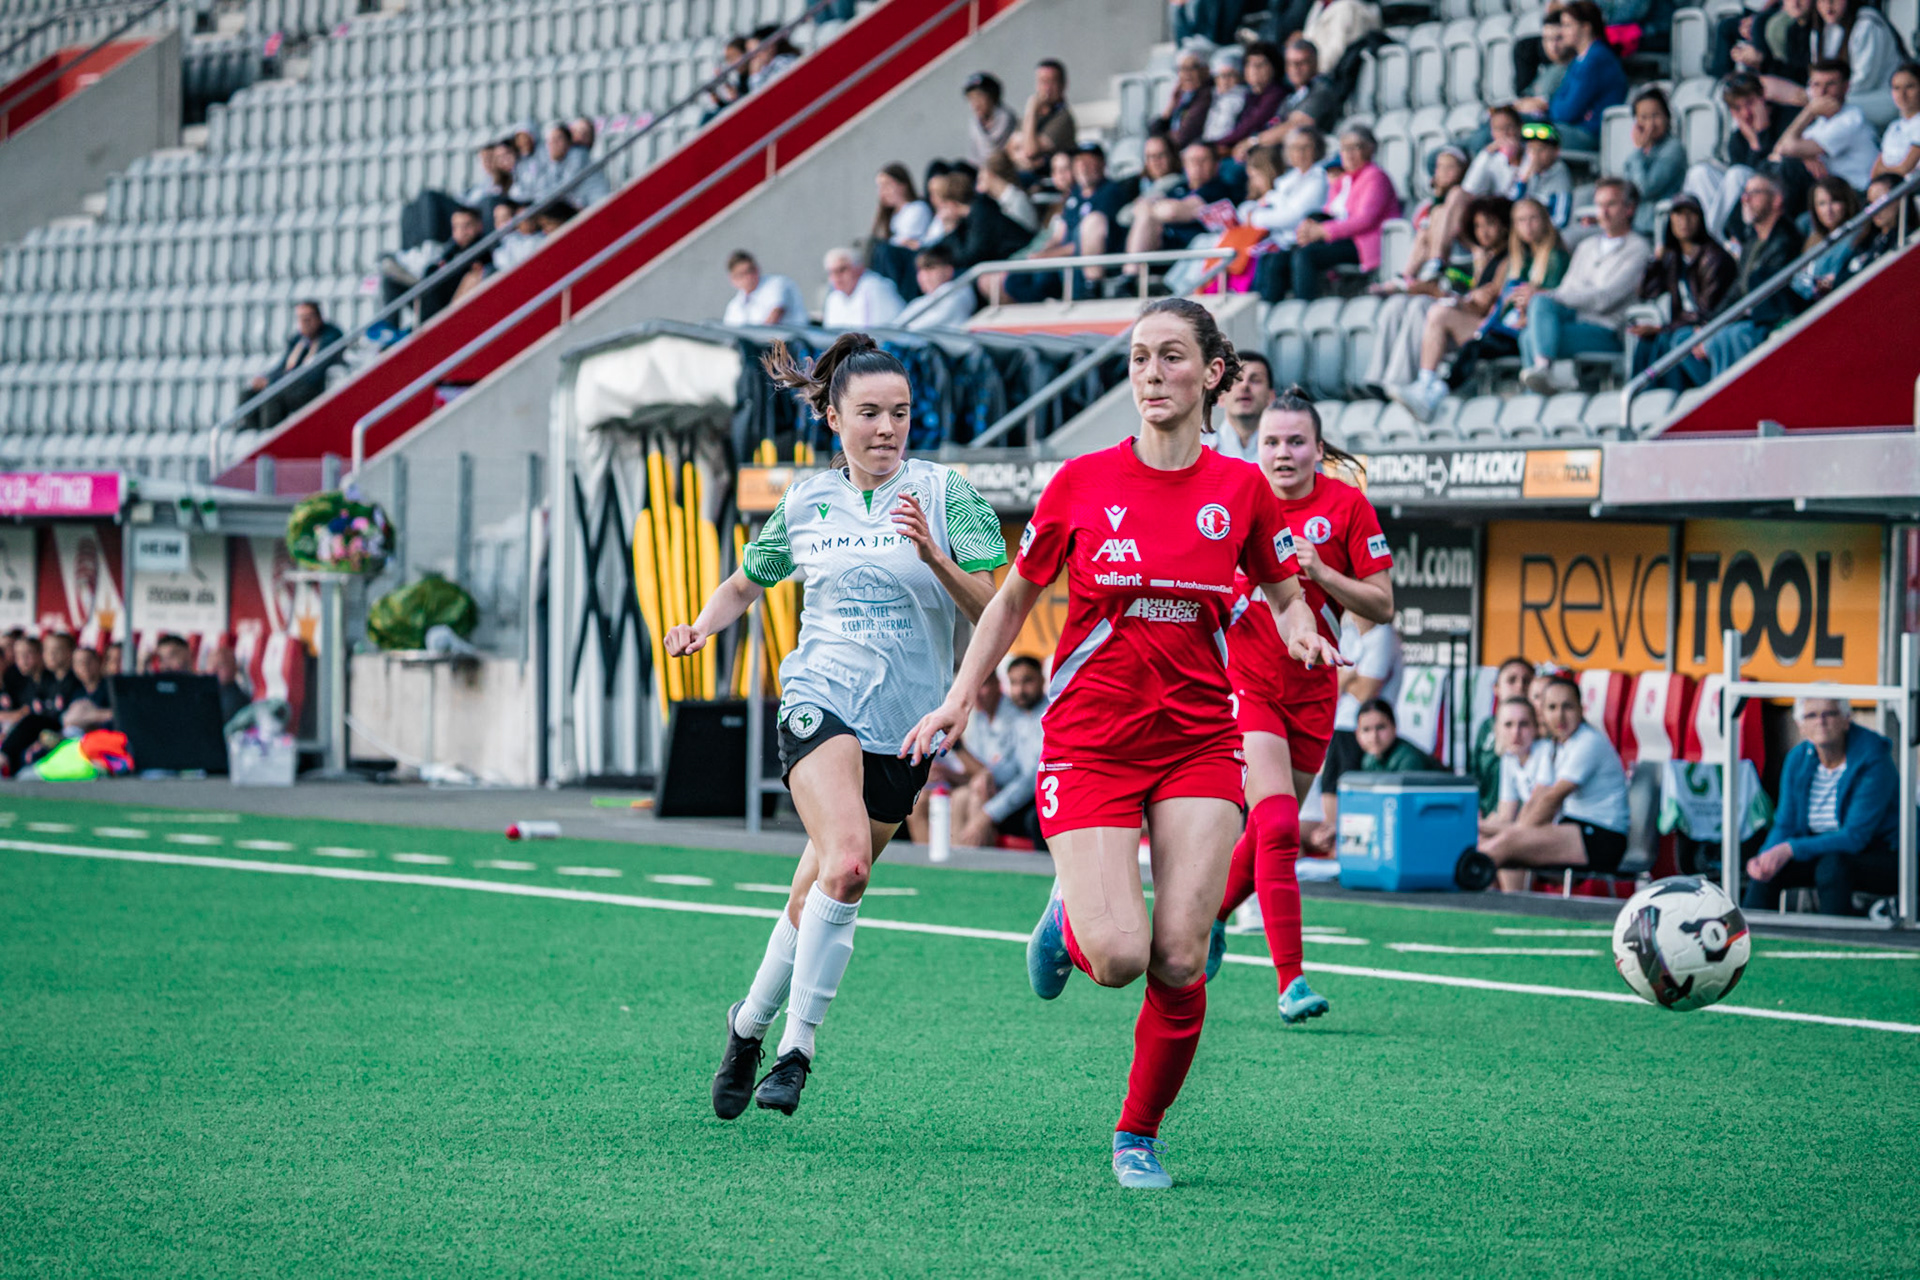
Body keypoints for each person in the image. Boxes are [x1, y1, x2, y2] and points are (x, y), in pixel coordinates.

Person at [900, 298, 1338, 1191]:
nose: (1149, 374)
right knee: (1120, 959)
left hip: (1198, 743)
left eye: (1170, 357)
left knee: (1181, 956)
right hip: (1092, 741)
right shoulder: (1082, 482)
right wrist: (957, 698)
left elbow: (1285, 587)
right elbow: (1014, 602)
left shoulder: (1241, 490)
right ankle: (1068, 919)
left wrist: (1297, 627)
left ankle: (1137, 1134)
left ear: (1212, 373)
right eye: (1138, 358)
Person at [687, 333, 1007, 1119]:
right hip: (818, 698)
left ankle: (746, 1024)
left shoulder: (945, 493)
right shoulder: (804, 501)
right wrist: (700, 625)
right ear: (833, 418)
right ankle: (797, 1048)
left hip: (906, 728)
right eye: (869, 413)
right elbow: (744, 583)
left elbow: (997, 612)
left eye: (900, 412)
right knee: (851, 868)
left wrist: (935, 557)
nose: (887, 427)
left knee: (819, 887)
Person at [1214, 388, 1392, 1026]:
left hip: (1316, 688)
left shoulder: (1347, 507)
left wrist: (1324, 576)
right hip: (1246, 684)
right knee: (1283, 826)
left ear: (1318, 448)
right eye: (1271, 442)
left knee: (1266, 828)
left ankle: (1207, 919)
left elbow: (1381, 606)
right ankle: (1291, 982)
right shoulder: (1229, 499)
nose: (1283, 453)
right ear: (1255, 447)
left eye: (1295, 442)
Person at [1742, 695, 1899, 915]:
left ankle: (1834, 943)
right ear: (1801, 726)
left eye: (1830, 713)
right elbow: (1785, 825)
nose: (1821, 721)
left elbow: (1855, 837)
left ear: (1847, 719)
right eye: (1811, 715)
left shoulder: (1873, 759)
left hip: (1883, 854)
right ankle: (1749, 939)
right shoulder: (1797, 759)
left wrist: (1789, 849)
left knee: (1832, 867)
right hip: (1823, 853)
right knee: (1768, 870)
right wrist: (1766, 857)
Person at [1480, 676, 1630, 892]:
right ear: (1543, 711)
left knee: (1504, 846)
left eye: (1567, 707)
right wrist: (1515, 831)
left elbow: (1552, 799)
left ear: (1581, 708)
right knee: (1498, 843)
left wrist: (1517, 833)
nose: (1560, 715)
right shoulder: (1556, 745)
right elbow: (1538, 796)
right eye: (1552, 707)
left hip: (1602, 836)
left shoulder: (1588, 742)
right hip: (1575, 827)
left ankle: (1459, 895)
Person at [1385, 195, 1522, 420]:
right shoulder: (1488, 258)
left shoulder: (1507, 260)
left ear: (1504, 225)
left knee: (1439, 313)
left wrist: (1442, 294)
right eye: (1477, 226)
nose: (1483, 232)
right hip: (1481, 325)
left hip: (1495, 331)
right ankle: (1420, 383)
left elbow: (1484, 308)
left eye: (1489, 224)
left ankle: (1426, 387)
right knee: (1428, 310)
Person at [1512, 177, 1650, 394]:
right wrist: (1550, 296)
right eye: (1599, 205)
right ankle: (1541, 380)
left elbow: (1604, 299)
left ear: (1629, 209)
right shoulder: (1586, 246)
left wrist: (1551, 295)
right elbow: (1566, 292)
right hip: (1576, 320)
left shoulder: (1639, 248)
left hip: (1608, 330)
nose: (1603, 212)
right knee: (1530, 326)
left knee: (1539, 310)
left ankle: (1542, 380)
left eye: (1611, 204)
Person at [1669, 169, 1806, 384]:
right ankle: (1710, 392)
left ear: (1777, 200)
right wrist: (1709, 324)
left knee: (1723, 339)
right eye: (1744, 193)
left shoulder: (1786, 240)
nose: (1745, 199)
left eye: (1755, 193)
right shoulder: (1752, 242)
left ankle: (1722, 395)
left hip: (1766, 319)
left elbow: (1761, 296)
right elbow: (1736, 290)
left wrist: (1715, 330)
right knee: (1682, 339)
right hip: (1743, 317)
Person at [1261, 124, 1400, 302]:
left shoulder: (1375, 176)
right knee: (1277, 258)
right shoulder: (1343, 180)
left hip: (1362, 243)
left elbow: (1363, 220)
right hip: (1340, 239)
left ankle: (1305, 309)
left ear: (1370, 149)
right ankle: (1271, 314)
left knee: (1306, 255)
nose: (1348, 154)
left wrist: (1322, 231)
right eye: (1344, 148)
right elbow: (1328, 212)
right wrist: (1309, 229)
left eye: (1355, 147)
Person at [1303, 613, 1403, 853]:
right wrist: (1348, 677)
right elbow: (1326, 683)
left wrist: (1344, 678)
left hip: (1362, 729)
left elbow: (1365, 692)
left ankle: (1346, 860)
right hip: (1339, 726)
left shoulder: (1383, 636)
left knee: (1352, 803)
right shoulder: (1348, 634)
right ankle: (1334, 855)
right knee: (1330, 790)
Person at [944, 656, 1050, 849]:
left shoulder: (1046, 716)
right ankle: (957, 866)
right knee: (963, 797)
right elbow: (1010, 768)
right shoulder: (1022, 715)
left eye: (1027, 680)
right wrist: (987, 776)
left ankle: (975, 868)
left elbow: (1031, 777)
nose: (1020, 690)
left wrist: (989, 813)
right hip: (1019, 795)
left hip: (1040, 798)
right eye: (1014, 683)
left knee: (978, 802)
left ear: (1042, 679)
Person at [1629, 195, 1738, 383]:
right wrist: (1655, 261)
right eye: (1678, 215)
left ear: (1701, 219)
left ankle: (1671, 396)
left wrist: (1662, 328)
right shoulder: (1673, 257)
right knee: (1646, 343)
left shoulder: (1714, 258)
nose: (1684, 222)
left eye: (1690, 215)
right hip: (1682, 324)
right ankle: (1641, 398)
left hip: (1706, 326)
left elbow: (1706, 310)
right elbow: (1646, 293)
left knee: (1670, 339)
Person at [1685, 74, 1808, 239]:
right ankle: (1712, 240)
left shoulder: (1787, 118)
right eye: (1737, 108)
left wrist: (1760, 140)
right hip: (1746, 204)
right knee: (1699, 173)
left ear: (1762, 97)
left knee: (1738, 174)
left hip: (1783, 194)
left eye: (1750, 104)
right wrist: (1754, 144)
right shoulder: (1738, 138)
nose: (1746, 113)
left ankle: (1709, 238)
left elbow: (1764, 176)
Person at [1123, 142, 1243, 274]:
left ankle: (1131, 276)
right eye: (1192, 160)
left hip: (1194, 257)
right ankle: (1130, 276)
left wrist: (1149, 208)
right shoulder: (1178, 188)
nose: (1197, 165)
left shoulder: (1219, 189)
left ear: (1216, 164)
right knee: (1145, 218)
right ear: (1184, 165)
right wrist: (1150, 209)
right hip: (1165, 251)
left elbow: (1172, 212)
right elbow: (1129, 214)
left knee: (1146, 214)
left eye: (1203, 160)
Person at [1772, 58, 1883, 192]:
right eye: (1816, 85)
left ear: (1846, 87)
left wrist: (1809, 111)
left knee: (1791, 168)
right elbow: (1778, 151)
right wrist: (1805, 155)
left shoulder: (1851, 119)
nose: (1822, 92)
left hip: (1857, 193)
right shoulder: (1822, 121)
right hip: (1833, 193)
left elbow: (1786, 148)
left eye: (1830, 84)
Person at [1536, 1, 1628, 153]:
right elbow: (1561, 96)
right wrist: (1555, 107)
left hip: (1587, 134)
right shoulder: (1580, 58)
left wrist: (1552, 108)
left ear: (1586, 27)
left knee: (1521, 132)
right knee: (1511, 126)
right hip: (1571, 127)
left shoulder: (1596, 58)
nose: (1562, 31)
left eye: (1568, 25)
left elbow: (1567, 111)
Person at [1232, 39, 1344, 161]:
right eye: (1290, 63)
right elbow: (1276, 124)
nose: (1295, 68)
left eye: (1302, 62)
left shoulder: (1322, 90)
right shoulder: (1292, 94)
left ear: (1315, 63)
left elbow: (1296, 125)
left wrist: (1253, 142)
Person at [244, 300, 344, 431]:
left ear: (319, 318)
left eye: (309, 318)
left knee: (273, 394)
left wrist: (272, 382)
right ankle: (249, 435)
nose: (305, 322)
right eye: (301, 318)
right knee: (249, 393)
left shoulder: (329, 337)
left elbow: (314, 371)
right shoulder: (298, 340)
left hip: (310, 387)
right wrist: (266, 378)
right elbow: (283, 365)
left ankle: (268, 436)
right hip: (291, 383)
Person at [1808, 0, 1903, 128]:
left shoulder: (1867, 24)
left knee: (1828, 107)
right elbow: (1819, 74)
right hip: (1845, 95)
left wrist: (1820, 98)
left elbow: (1864, 81)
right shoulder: (1820, 29)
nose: (1828, 4)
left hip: (1881, 97)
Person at [1471, 658, 1538, 815]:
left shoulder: (1544, 730)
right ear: (1496, 688)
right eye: (1511, 680)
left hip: (1526, 819)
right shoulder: (1486, 727)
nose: (1520, 686)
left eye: (1526, 681)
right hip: (1491, 815)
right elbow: (1474, 775)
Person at [1477, 696, 1550, 837]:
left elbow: (1532, 814)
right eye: (1508, 724)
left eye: (1523, 724)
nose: (1515, 732)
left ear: (1535, 728)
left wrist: (1482, 826)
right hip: (1532, 831)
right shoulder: (1509, 758)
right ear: (1496, 729)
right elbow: (1506, 816)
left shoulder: (1546, 752)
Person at [1624, 88, 1688, 234]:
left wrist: (1638, 151)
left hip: (1656, 229)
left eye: (1656, 116)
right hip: (1633, 227)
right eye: (1644, 117)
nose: (1650, 123)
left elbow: (1645, 188)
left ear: (1667, 117)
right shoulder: (1638, 153)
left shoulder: (1674, 148)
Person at [1212, 41, 1287, 156]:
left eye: (1261, 64)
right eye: (1249, 64)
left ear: (1274, 67)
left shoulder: (1276, 94)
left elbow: (1251, 125)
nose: (1254, 69)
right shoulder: (1248, 94)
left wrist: (1216, 144)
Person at [1010, 58, 1076, 179]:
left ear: (1063, 85)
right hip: (1024, 171)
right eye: (1042, 81)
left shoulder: (1063, 119)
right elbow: (1010, 148)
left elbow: (1030, 151)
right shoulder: (1035, 116)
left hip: (1044, 178)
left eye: (1051, 82)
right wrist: (1020, 157)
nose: (1047, 88)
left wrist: (1031, 109)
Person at [1204, 350, 1274, 461]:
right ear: (1220, 396)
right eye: (1236, 380)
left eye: (1255, 380)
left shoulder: (1283, 454)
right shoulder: (1199, 451)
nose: (1245, 385)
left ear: (1271, 397)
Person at [895, 243, 978, 330]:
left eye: (930, 268)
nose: (924, 276)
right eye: (920, 270)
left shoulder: (959, 292)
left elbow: (932, 324)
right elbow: (894, 328)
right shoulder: (920, 301)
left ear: (948, 270)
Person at [821, 247, 905, 328]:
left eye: (842, 270)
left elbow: (878, 334)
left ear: (859, 269)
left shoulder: (876, 287)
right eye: (831, 272)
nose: (836, 277)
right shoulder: (833, 297)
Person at [1353, 698, 1439, 773]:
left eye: (1380, 727)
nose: (1374, 736)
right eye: (1366, 729)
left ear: (1394, 727)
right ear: (1357, 733)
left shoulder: (1408, 759)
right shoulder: (1369, 759)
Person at [1516, 122, 1575, 228]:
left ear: (1556, 151)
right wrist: (1523, 181)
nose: (1535, 155)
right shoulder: (1526, 171)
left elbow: (1560, 220)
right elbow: (1512, 206)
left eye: (1541, 149)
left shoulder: (1560, 174)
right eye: (1531, 149)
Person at [1154, 48, 1214, 151]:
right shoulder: (1184, 95)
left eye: (1193, 68)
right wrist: (1171, 104)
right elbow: (1155, 131)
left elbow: (1182, 137)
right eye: (1182, 69)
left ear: (1205, 70)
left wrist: (1163, 139)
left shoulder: (1205, 96)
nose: (1187, 73)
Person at [1301, 0, 1382, 74]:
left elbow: (1336, 51)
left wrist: (1311, 74)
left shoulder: (1347, 7)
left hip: (1332, 77)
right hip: (1312, 73)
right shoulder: (1319, 5)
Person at [1873, 61, 1920, 179]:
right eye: (1896, 88)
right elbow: (1875, 171)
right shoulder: (1893, 126)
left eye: (1909, 87)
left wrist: (1883, 170)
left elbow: (1905, 168)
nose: (1902, 94)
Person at [978, 149, 1039, 232]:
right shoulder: (1004, 200)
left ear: (990, 175)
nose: (977, 187)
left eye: (981, 179)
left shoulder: (1016, 201)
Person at [1201, 45, 1249, 149]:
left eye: (1231, 75)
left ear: (1240, 77)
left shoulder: (1239, 98)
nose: (1226, 80)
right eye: (1222, 76)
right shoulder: (1214, 97)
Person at [963, 72, 1016, 164]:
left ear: (993, 96)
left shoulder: (1006, 118)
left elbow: (994, 152)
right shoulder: (975, 123)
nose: (975, 104)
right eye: (971, 98)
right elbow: (973, 158)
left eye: (979, 96)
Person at [63, 645, 113, 732]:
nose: (84, 666)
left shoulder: (111, 689)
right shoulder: (77, 692)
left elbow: (120, 714)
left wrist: (92, 715)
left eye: (88, 661)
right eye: (79, 663)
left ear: (99, 662)